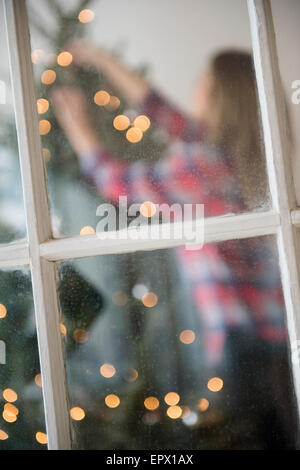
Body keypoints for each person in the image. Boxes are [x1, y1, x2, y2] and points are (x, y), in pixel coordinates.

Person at [52, 42, 298, 447]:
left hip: (240, 334)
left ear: (221, 98)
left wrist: (76, 124)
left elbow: (120, 184)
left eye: (205, 80)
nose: (195, 86)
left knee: (247, 434)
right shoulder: (233, 152)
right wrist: (101, 60)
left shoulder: (200, 163)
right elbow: (163, 112)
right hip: (276, 325)